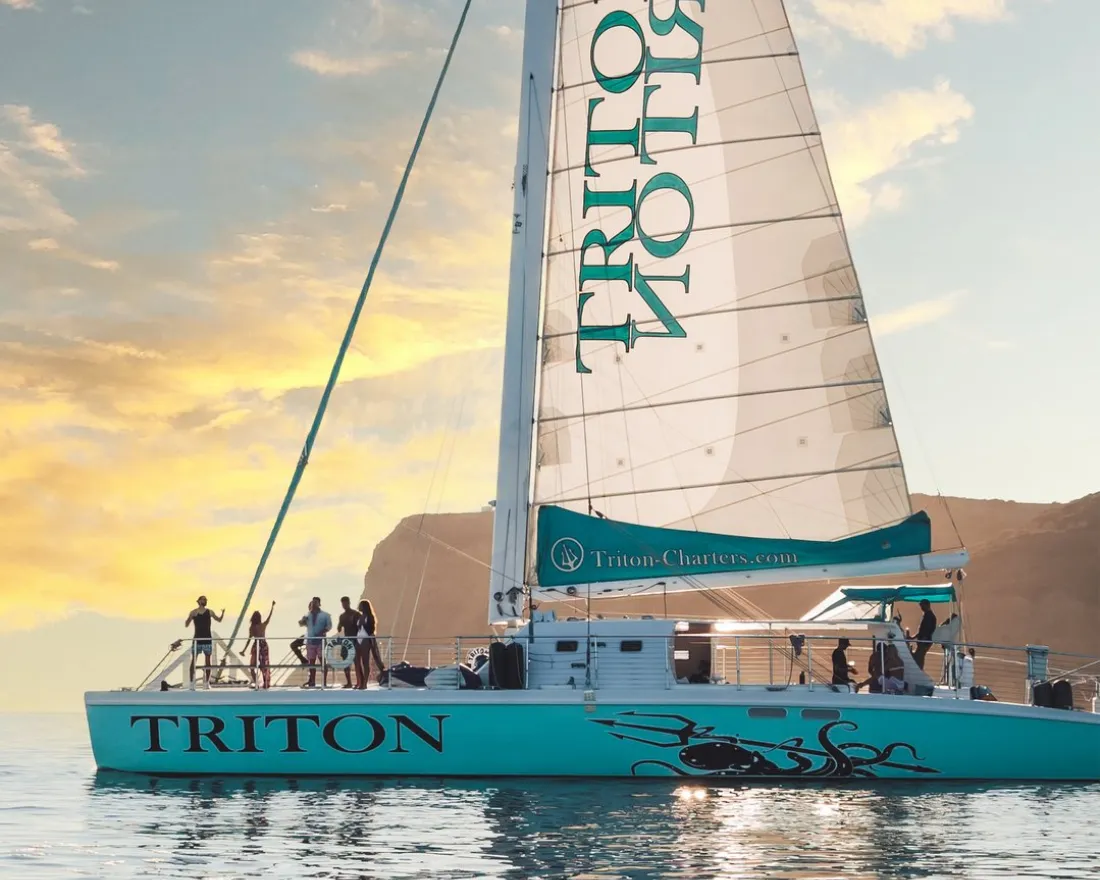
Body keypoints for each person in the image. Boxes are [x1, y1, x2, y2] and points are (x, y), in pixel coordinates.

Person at [184, 596, 224, 686]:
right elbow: (186, 624)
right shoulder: (194, 612)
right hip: (197, 638)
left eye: (206, 599)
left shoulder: (210, 612)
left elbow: (219, 620)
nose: (206, 600)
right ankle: (191, 682)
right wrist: (189, 618)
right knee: (194, 660)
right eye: (204, 599)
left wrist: (222, 613)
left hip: (207, 639)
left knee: (208, 660)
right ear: (199, 601)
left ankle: (207, 682)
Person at [293, 597, 332, 688]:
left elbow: (329, 626)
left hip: (320, 641)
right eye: (313, 602)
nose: (314, 604)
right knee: (311, 663)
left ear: (319, 603)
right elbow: (301, 624)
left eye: (316, 602)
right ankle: (312, 682)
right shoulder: (308, 615)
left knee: (323, 661)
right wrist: (303, 620)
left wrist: (321, 631)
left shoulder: (325, 615)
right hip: (310, 642)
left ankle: (324, 682)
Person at [241, 601, 276, 689]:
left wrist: (244, 650)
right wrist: (272, 607)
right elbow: (269, 617)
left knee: (252, 666)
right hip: (263, 645)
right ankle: (265, 683)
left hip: (256, 645)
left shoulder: (252, 627)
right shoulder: (262, 625)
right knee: (264, 666)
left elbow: (249, 640)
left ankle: (257, 682)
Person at [356, 599, 387, 688]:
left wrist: (363, 625)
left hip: (366, 639)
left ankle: (364, 683)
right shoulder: (359, 616)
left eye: (361, 605)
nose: (359, 607)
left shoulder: (370, 617)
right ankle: (360, 682)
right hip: (358, 638)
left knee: (365, 662)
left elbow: (371, 629)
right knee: (357, 661)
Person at [336, 596, 361, 689]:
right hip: (347, 640)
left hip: (355, 639)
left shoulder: (356, 614)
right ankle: (349, 682)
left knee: (357, 661)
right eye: (343, 604)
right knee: (345, 661)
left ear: (349, 603)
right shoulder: (342, 616)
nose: (344, 605)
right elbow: (339, 628)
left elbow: (360, 627)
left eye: (345, 603)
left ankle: (359, 682)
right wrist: (339, 626)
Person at [912, 599, 938, 670]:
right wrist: (913, 637)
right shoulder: (927, 615)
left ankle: (919, 671)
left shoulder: (929, 616)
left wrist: (923, 639)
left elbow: (926, 629)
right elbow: (922, 630)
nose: (921, 608)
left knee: (918, 658)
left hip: (924, 642)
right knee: (918, 657)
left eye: (922, 606)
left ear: (927, 605)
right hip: (923, 641)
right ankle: (919, 671)